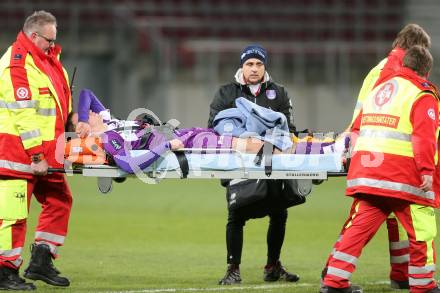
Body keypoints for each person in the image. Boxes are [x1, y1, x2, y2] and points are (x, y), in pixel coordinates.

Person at [320, 23, 432, 291]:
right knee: (414, 224)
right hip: (391, 160)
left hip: (369, 152)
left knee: (368, 219)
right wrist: (426, 169)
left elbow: (367, 111)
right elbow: (419, 130)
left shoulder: (382, 70)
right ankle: (415, 280)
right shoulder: (401, 77)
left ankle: (342, 274)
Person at [208, 44, 300, 285]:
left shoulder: (279, 93)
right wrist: (244, 141)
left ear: (265, 66)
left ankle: (272, 265)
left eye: (259, 64)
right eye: (250, 64)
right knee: (236, 214)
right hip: (239, 162)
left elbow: (289, 130)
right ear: (242, 66)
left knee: (279, 213)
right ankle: (233, 269)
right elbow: (213, 128)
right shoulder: (226, 93)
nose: (255, 68)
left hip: (273, 161)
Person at [0, 11, 72, 290]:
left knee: (60, 200)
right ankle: (5, 272)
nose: (53, 45)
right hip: (18, 154)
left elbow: (59, 101)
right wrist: (37, 156)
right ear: (33, 35)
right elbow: (24, 116)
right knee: (14, 214)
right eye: (48, 40)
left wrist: (73, 118)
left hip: (45, 153)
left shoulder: (46, 61)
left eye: (55, 40)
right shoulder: (17, 65)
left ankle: (41, 260)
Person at [65, 89, 299, 172]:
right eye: (83, 118)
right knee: (239, 144)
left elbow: (86, 93)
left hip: (182, 133)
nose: (91, 113)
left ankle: (299, 145)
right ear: (82, 132)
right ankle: (294, 154)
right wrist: (165, 146)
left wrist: (82, 117)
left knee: (242, 130)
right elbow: (128, 165)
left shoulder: (108, 121)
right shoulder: (108, 137)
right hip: (181, 142)